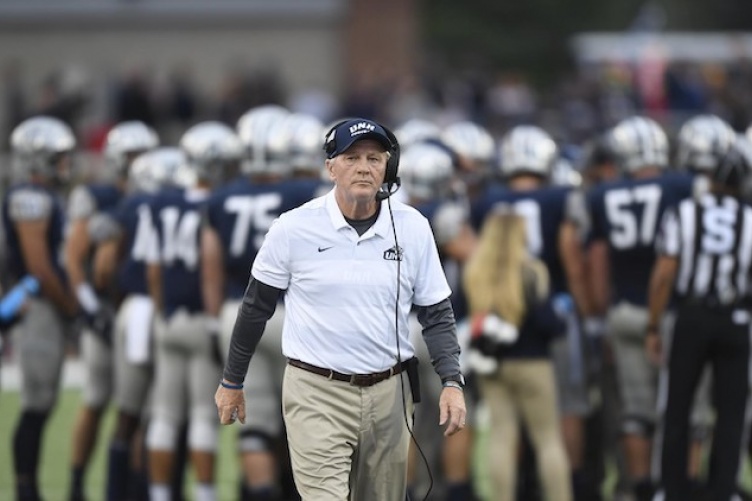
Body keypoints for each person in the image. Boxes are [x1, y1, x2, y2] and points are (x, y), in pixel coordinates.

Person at [215, 118, 467, 500]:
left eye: (374, 157)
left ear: (388, 167)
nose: (364, 167)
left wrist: (451, 381)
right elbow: (255, 308)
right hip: (317, 390)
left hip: (390, 392)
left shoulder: (413, 226)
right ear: (330, 166)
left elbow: (436, 312)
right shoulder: (294, 228)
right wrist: (232, 381)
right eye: (351, 157)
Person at [585, 116, 693, 501]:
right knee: (689, 409)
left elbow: (598, 260)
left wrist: (601, 314)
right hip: (673, 311)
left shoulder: (602, 195)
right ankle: (685, 487)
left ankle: (643, 489)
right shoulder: (682, 186)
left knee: (635, 411)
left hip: (625, 310)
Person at [647, 138, 752, 500]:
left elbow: (664, 273)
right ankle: (724, 489)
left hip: (691, 316)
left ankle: (672, 489)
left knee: (677, 406)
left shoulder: (684, 213)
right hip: (735, 319)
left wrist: (653, 324)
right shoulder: (749, 218)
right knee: (732, 411)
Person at [145, 122, 242, 501]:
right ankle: (204, 493)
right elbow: (212, 268)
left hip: (169, 317)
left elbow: (154, 269)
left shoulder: (161, 203)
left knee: (165, 414)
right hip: (205, 319)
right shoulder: (220, 204)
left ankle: (158, 493)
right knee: (203, 414)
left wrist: (160, 311)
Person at [65, 119, 158, 501]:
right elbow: (74, 261)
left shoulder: (155, 193)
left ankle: (135, 485)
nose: (139, 164)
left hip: (136, 309)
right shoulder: (97, 195)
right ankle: (75, 482)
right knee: (98, 397)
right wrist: (90, 308)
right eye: (132, 156)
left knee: (140, 405)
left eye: (144, 156)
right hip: (104, 310)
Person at [464, 210, 571, 501]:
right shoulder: (532, 271)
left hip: (493, 366)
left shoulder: (476, 272)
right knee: (548, 440)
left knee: (500, 438)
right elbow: (548, 323)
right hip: (534, 363)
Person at [3, 115, 80, 501]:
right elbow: (39, 266)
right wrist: (70, 306)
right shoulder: (28, 197)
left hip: (46, 305)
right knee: (36, 402)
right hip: (36, 306)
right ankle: (25, 491)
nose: (66, 163)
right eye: (59, 156)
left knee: (44, 400)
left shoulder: (46, 196)